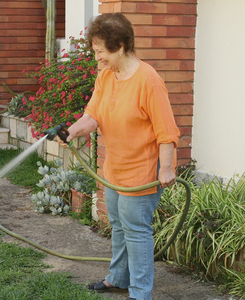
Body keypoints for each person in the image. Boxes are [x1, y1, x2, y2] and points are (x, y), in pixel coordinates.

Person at [61, 13, 180, 300]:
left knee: (136, 232)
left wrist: (166, 168)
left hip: (141, 172)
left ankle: (140, 293)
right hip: (113, 168)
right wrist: (72, 131)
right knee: (117, 226)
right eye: (95, 51)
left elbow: (167, 132)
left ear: (121, 47)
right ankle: (118, 278)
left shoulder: (148, 81)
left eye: (102, 52)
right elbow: (93, 114)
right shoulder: (106, 76)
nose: (97, 59)